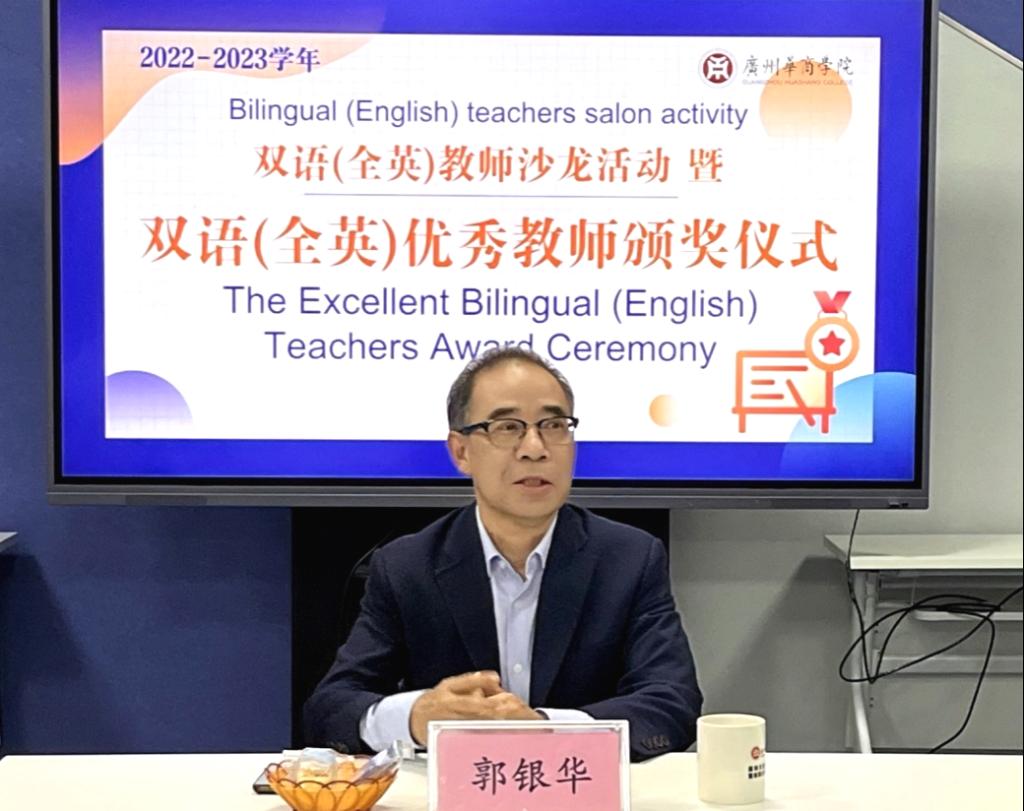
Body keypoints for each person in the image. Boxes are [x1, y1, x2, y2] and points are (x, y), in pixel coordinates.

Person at [304, 347, 702, 761]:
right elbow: (331, 709)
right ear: (461, 452)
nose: (535, 448)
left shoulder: (628, 559)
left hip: (580, 787)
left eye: (554, 425)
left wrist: (545, 728)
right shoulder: (408, 566)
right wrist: (417, 717)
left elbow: (672, 701)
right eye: (507, 427)